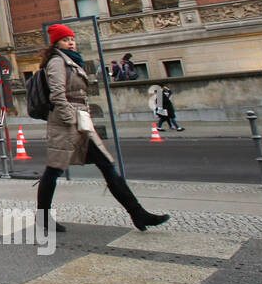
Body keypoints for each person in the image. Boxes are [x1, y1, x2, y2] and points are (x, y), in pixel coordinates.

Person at [37, 24, 170, 234]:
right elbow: (57, 95)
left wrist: (81, 116)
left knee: (106, 165)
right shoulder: (56, 61)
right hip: (67, 123)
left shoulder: (71, 60)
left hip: (80, 121)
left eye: (72, 38)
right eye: (65, 40)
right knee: (54, 169)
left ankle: (138, 213)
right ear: (56, 43)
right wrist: (70, 119)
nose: (71, 42)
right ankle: (43, 218)